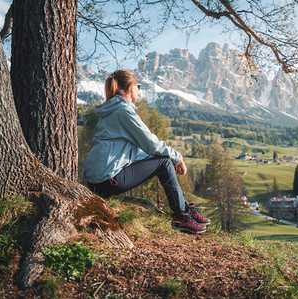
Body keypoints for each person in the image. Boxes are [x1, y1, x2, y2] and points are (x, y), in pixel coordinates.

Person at [83, 69, 210, 234]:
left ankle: (185, 209)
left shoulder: (112, 110)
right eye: (138, 86)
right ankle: (181, 216)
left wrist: (168, 155)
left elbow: (140, 150)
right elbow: (151, 144)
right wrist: (176, 156)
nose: (138, 90)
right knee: (164, 162)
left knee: (163, 159)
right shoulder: (123, 111)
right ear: (130, 88)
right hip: (107, 180)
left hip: (97, 180)